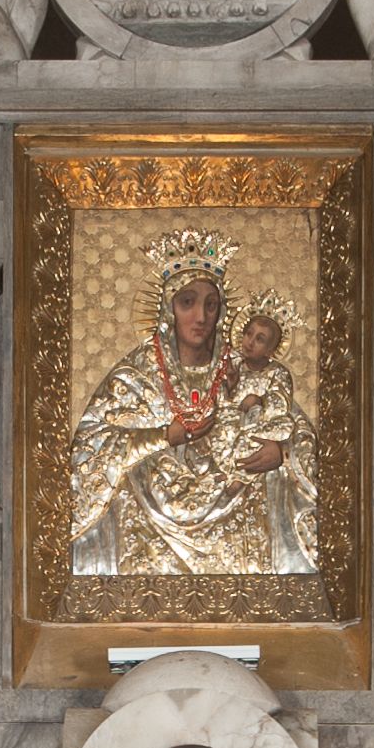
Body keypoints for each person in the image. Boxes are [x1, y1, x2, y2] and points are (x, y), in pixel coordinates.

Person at [67, 231, 297, 581]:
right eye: (187, 302)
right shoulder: (137, 373)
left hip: (236, 526)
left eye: (211, 305)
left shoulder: (246, 367)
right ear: (168, 309)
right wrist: (163, 437)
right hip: (148, 529)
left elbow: (295, 426)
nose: (201, 316)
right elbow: (89, 446)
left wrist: (282, 453)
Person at [203, 292, 318, 576]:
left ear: (271, 350)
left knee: (256, 441)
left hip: (264, 426)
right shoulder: (235, 368)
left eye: (260, 339)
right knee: (227, 438)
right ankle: (227, 473)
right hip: (232, 426)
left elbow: (281, 404)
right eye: (248, 334)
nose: (250, 342)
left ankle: (240, 477)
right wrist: (229, 385)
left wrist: (260, 402)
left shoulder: (276, 373)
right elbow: (220, 402)